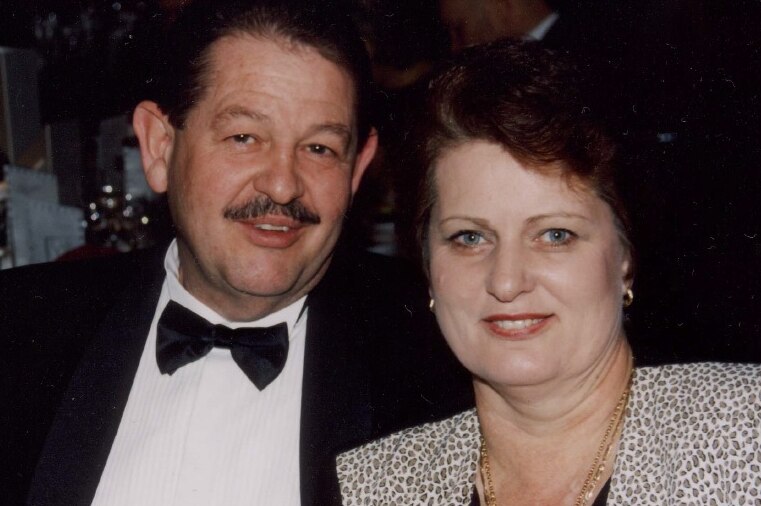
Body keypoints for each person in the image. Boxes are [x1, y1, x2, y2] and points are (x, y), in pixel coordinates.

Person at [0, 1, 471, 504]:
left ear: (357, 170)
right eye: (244, 137)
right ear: (160, 147)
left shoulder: (434, 367)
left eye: (319, 149)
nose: (283, 185)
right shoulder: (21, 335)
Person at [337, 40, 761, 505]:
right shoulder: (372, 487)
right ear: (426, 263)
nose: (506, 281)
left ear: (624, 256)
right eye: (469, 238)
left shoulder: (743, 435)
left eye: (554, 235)